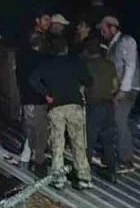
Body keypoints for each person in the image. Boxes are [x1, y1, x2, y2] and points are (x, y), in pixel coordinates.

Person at [28, 45, 94, 190]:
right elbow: (89, 81)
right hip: (74, 105)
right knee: (78, 142)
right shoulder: (75, 62)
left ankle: (58, 178)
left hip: (56, 106)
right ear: (66, 49)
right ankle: (83, 177)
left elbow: (32, 79)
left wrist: (46, 94)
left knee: (57, 143)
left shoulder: (47, 64)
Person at [99, 15, 140, 171]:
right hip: (118, 89)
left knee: (120, 122)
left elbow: (130, 66)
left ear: (113, 28)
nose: (102, 33)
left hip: (128, 89)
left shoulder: (126, 41)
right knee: (113, 121)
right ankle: (113, 156)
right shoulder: (112, 45)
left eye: (104, 30)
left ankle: (126, 160)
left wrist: (122, 90)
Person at [12, 13, 52, 170]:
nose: (49, 23)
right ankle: (35, 159)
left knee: (31, 127)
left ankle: (27, 157)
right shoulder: (39, 58)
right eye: (46, 19)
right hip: (37, 97)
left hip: (27, 96)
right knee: (38, 129)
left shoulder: (22, 55)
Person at [82, 41, 120, 179]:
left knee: (88, 140)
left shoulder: (87, 66)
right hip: (108, 106)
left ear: (87, 52)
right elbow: (115, 86)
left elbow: (82, 87)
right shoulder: (109, 65)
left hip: (93, 106)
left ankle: (84, 171)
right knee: (108, 141)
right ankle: (111, 170)